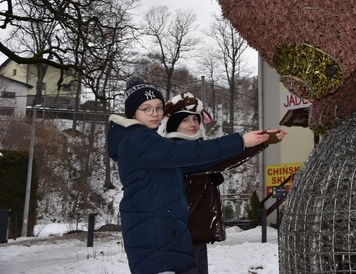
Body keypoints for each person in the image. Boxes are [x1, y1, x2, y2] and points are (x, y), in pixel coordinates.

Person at [107, 76, 273, 274]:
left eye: (159, 108)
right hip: (154, 234)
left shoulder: (147, 141)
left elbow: (203, 161)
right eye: (147, 109)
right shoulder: (139, 139)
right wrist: (241, 141)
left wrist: (257, 142)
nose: (155, 114)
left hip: (165, 230)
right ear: (132, 112)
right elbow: (195, 153)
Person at [157, 92, 286, 274]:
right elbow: (222, 157)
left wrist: (263, 140)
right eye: (185, 120)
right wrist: (257, 141)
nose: (193, 124)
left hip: (195, 231)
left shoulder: (197, 149)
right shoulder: (175, 150)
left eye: (195, 119)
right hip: (181, 232)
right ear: (173, 124)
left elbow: (218, 158)